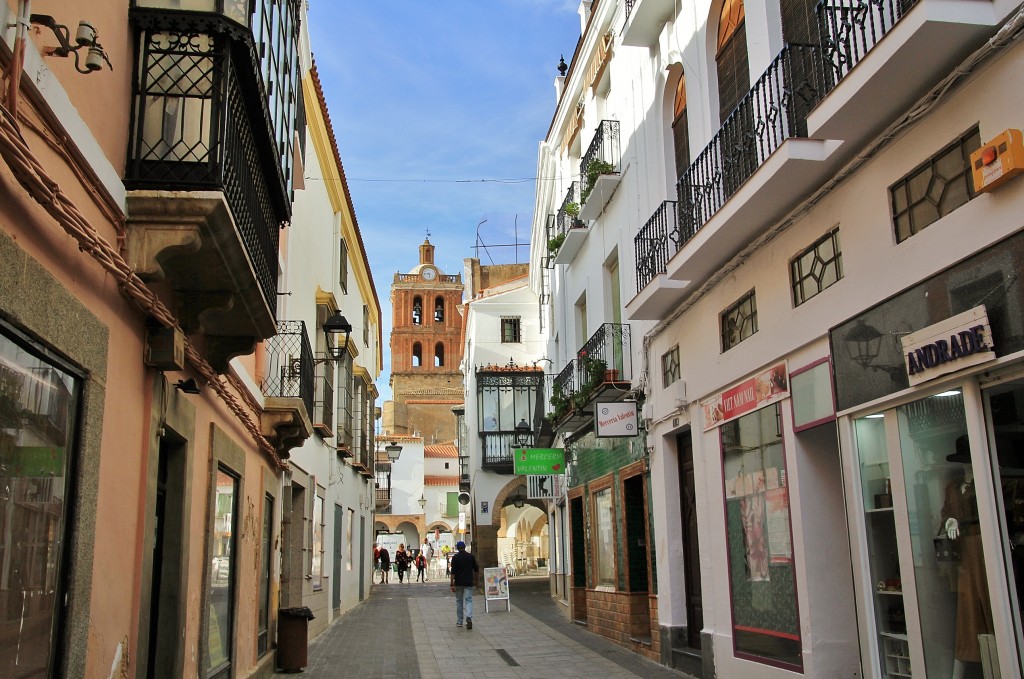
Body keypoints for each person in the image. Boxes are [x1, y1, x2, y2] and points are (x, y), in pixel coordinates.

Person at [450, 540, 479, 629]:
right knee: (469, 600)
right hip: (468, 582)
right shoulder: (470, 557)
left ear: (457, 548)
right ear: (464, 547)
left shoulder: (455, 558)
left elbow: (453, 572)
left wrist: (452, 583)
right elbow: (476, 569)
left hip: (458, 582)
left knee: (459, 601)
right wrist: (476, 580)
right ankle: (469, 617)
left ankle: (459, 621)